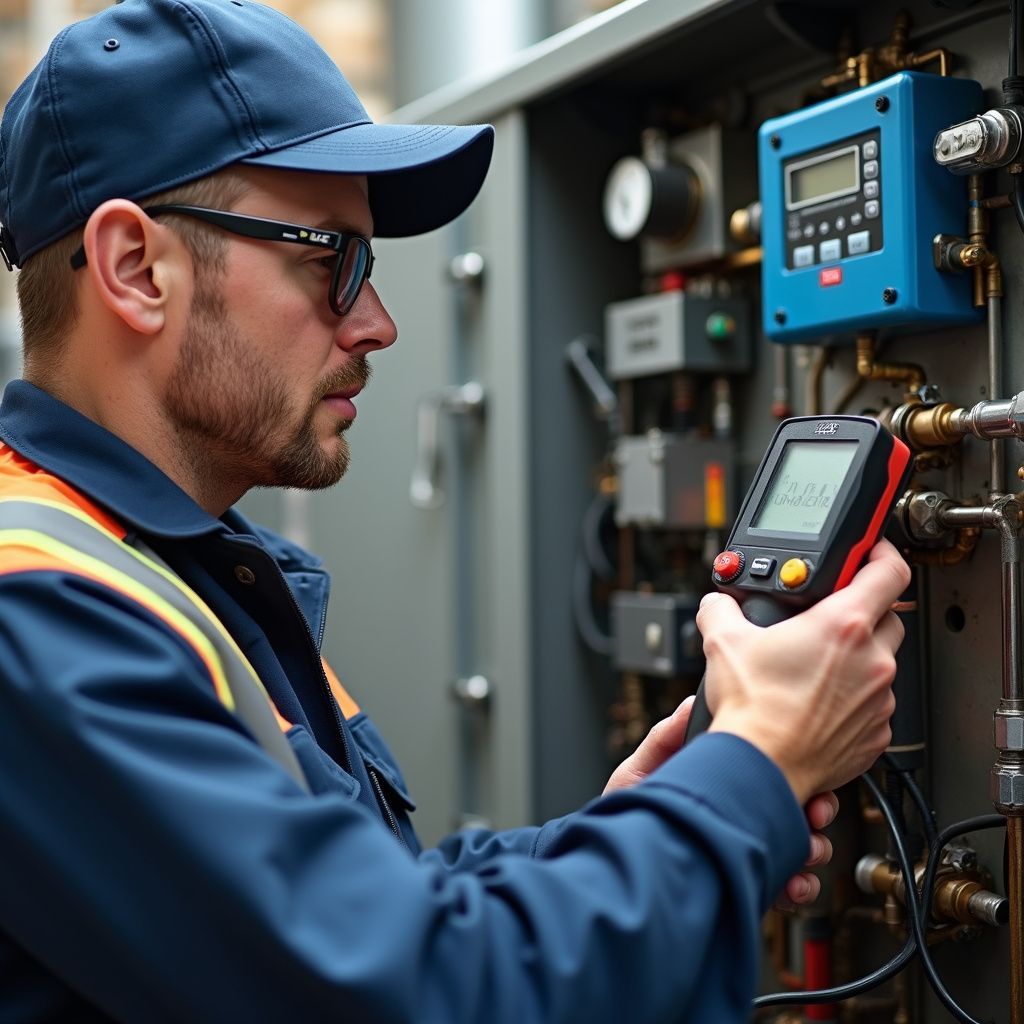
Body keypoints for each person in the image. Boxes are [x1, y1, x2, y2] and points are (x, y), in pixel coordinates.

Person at [0, 2, 909, 1021]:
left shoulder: (177, 575)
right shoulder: (38, 613)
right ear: (135, 267)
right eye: (330, 259)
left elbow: (371, 913)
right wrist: (757, 767)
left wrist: (640, 826)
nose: (378, 322)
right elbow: (422, 996)